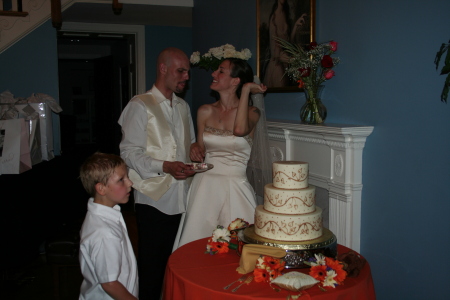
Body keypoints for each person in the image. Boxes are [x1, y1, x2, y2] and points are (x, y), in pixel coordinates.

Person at [118, 47, 196, 299]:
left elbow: (190, 144)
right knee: (152, 266)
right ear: (163, 69)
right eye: (180, 71)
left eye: (187, 71)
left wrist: (195, 155)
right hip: (153, 198)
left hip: (183, 196)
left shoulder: (183, 106)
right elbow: (128, 152)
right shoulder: (139, 105)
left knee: (177, 263)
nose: (186, 76)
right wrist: (165, 166)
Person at [175, 58, 267, 248]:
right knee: (197, 242)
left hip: (235, 186)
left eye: (221, 71)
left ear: (235, 81)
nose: (213, 74)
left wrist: (247, 91)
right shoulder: (205, 111)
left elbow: (240, 130)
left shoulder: (253, 111)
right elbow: (200, 148)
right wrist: (194, 148)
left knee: (241, 246)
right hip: (205, 186)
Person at [78, 152, 138, 300]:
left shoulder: (103, 215)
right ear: (101, 189)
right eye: (121, 180)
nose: (130, 183)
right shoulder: (104, 233)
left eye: (127, 177)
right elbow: (110, 284)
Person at [262, 0, 309, 87]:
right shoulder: (273, 18)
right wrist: (283, 57)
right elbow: (274, 50)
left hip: (285, 62)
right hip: (277, 65)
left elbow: (288, 43)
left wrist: (295, 26)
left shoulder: (285, 14)